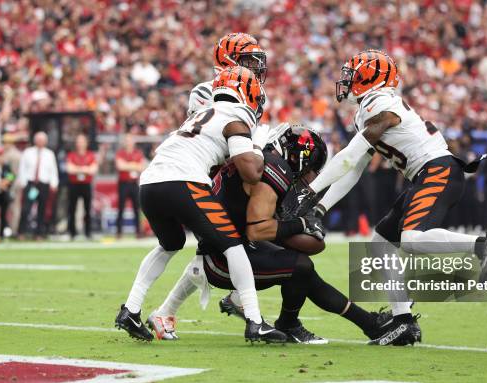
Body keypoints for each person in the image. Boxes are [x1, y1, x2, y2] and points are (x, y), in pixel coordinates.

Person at [281, 50, 487, 346]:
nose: (347, 81)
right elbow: (355, 168)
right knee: (381, 245)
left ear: (371, 78)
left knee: (413, 240)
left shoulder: (380, 103)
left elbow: (348, 157)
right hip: (425, 175)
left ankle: (485, 245)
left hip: (437, 171)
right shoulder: (369, 108)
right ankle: (403, 322)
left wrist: (311, 192)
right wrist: (322, 206)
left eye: (355, 75)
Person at [148, 125, 403, 345]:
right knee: (301, 266)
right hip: (225, 258)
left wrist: (296, 228)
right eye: (312, 168)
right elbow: (259, 229)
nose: (310, 177)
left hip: (227, 248)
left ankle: (366, 322)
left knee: (301, 264)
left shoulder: (258, 158)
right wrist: (301, 224)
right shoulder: (274, 168)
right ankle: (299, 324)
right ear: (301, 158)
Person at [115, 66, 285, 344]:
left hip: (150, 183)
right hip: (183, 182)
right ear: (248, 93)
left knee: (170, 243)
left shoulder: (200, 116)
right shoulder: (236, 115)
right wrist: (256, 146)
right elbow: (251, 173)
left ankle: (131, 310)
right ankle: (255, 321)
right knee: (233, 245)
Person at [17, 131, 59, 240]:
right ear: (35, 140)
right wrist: (23, 182)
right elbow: (22, 168)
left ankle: (39, 233)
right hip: (31, 184)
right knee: (26, 208)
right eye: (38, 139)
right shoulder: (28, 152)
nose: (40, 142)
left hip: (43, 184)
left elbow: (53, 170)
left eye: (42, 140)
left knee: (42, 209)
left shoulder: (49, 154)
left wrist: (54, 183)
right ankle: (21, 231)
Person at [66, 134, 97, 240]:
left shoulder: (90, 155)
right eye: (78, 141)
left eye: (82, 141)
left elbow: (93, 170)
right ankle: (72, 232)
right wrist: (85, 169)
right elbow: (70, 169)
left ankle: (88, 232)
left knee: (87, 209)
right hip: (74, 184)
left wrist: (78, 168)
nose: (80, 144)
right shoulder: (71, 155)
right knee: (72, 209)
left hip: (86, 184)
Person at [115, 134, 145, 238]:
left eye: (130, 140)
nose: (128, 142)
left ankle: (138, 232)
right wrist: (133, 165)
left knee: (137, 208)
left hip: (133, 183)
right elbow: (120, 166)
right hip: (123, 183)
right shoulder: (120, 153)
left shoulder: (138, 153)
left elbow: (141, 167)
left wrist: (127, 165)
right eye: (127, 140)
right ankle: (119, 232)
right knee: (121, 208)